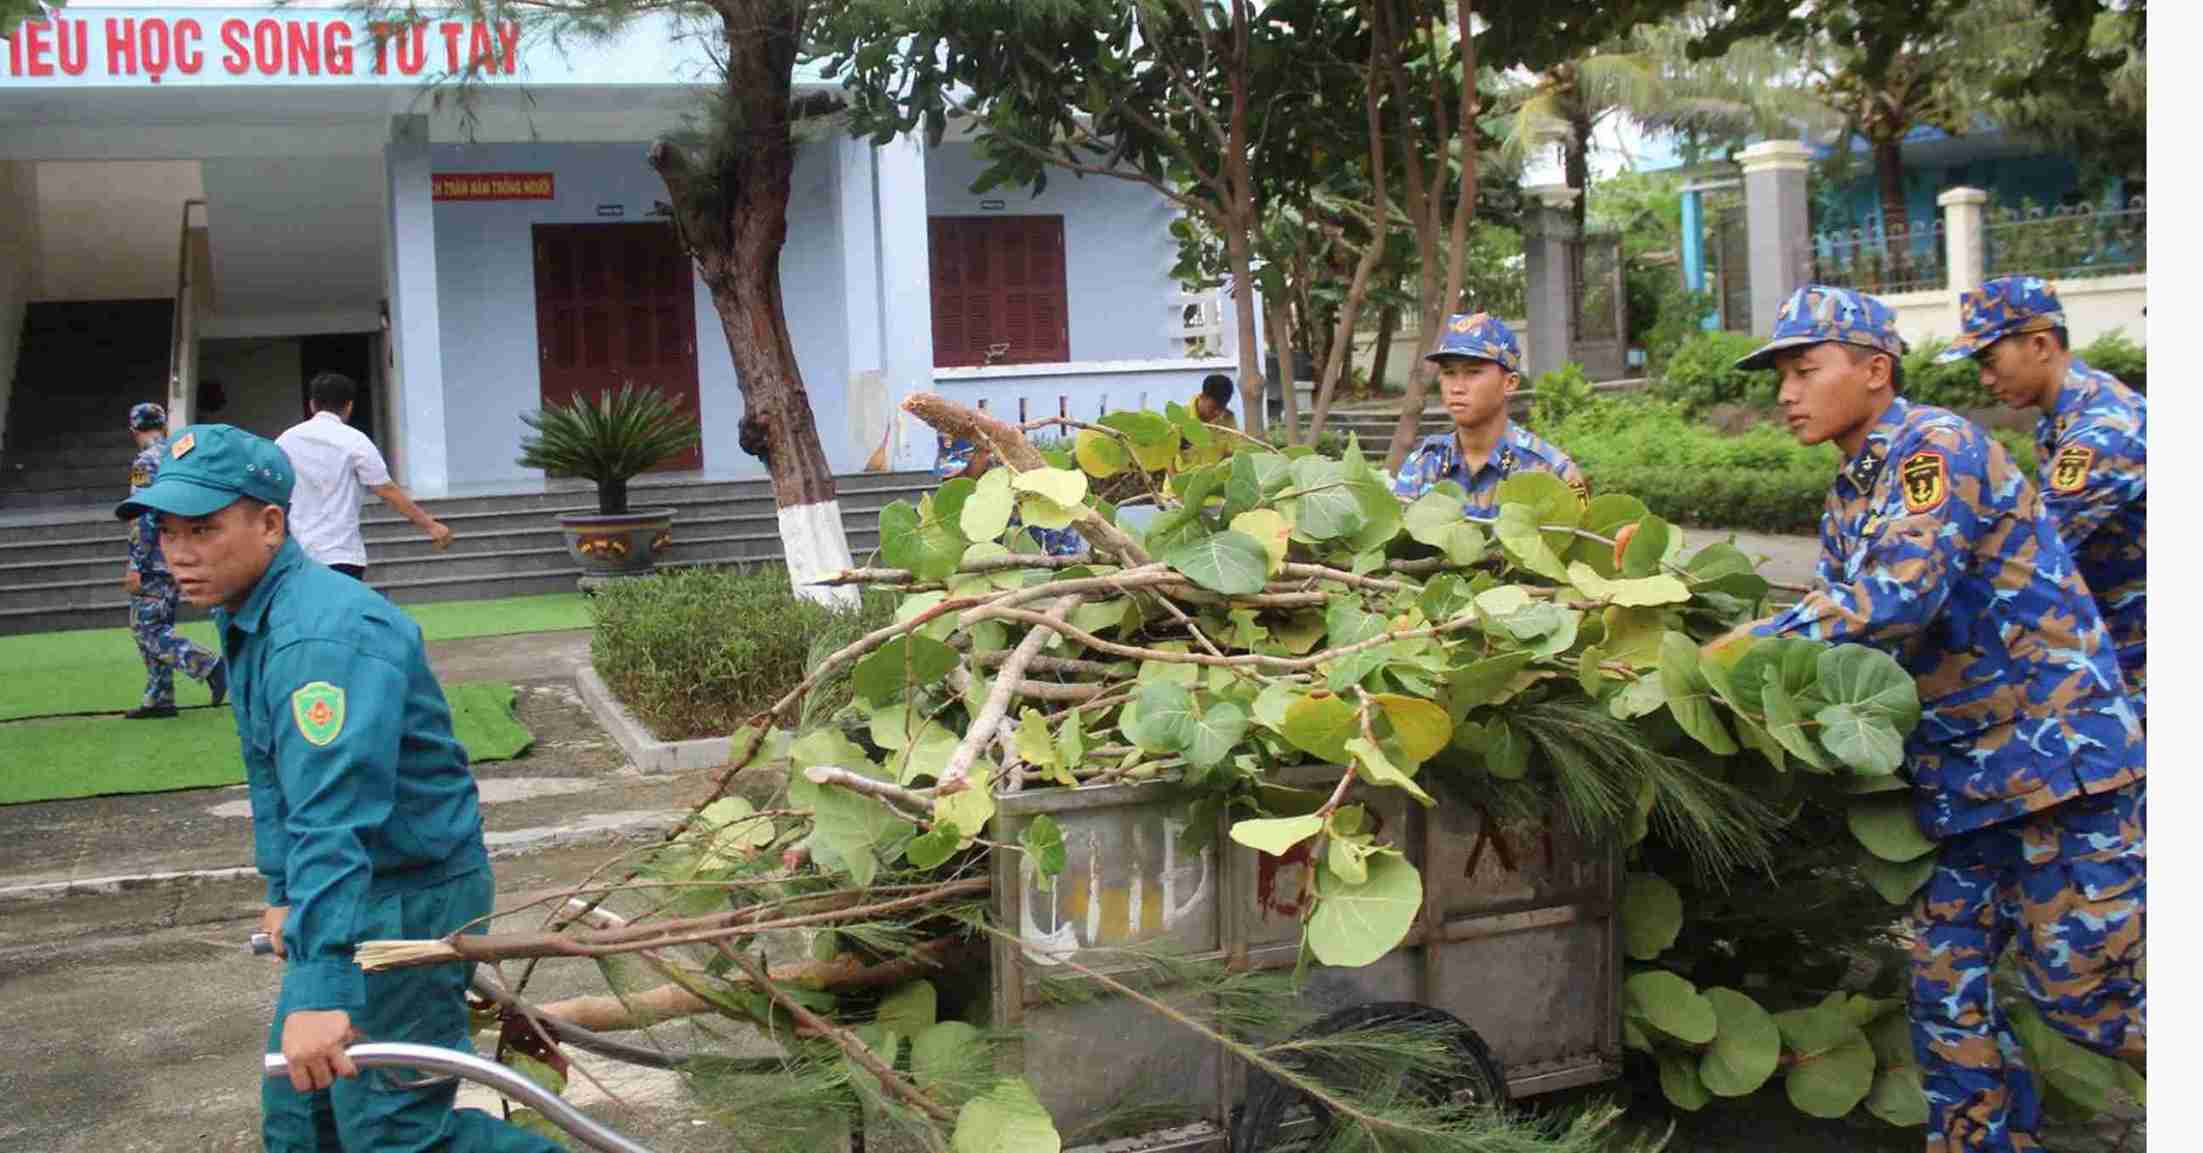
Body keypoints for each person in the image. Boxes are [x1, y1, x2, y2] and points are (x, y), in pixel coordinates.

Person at [1729, 285, 2143, 1153]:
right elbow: (1840, 635)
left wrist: (1737, 648)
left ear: (1874, 371)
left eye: (1804, 369)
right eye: (1779, 376)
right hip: (1965, 784)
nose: (1786, 393)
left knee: (2091, 999)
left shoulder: (1935, 447)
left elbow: (1891, 599)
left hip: (2054, 766)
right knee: (1946, 989)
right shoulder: (1851, 492)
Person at [115, 423, 558, 1153]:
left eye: (203, 528)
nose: (178, 552)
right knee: (302, 1119)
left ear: (269, 525)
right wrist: (282, 888)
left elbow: (334, 814)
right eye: (167, 531)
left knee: (394, 1134)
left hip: (406, 898)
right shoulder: (252, 611)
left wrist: (321, 988)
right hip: (350, 890)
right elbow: (273, 775)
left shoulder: (319, 638)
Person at [1938, 275, 2146, 718]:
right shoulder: (2062, 417)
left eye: (1990, 360)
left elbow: (2030, 548)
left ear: (2040, 345)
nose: (1985, 379)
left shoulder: (2102, 430)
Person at [1390, 313, 1588, 516]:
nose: (1457, 388)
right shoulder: (1424, 464)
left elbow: (1578, 534)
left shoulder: (1555, 471)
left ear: (1509, 383)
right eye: (1449, 373)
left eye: (1473, 372)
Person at [276, 371, 453, 581]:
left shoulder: (286, 440)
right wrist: (430, 525)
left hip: (298, 554)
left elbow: (271, 490)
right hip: (341, 554)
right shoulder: (355, 441)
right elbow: (386, 490)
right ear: (349, 406)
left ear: (312, 404)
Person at [122, 402, 226, 719]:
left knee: (147, 629)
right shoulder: (177, 456)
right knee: (159, 624)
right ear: (164, 426)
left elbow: (142, 515)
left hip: (153, 558)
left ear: (134, 430)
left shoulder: (145, 462)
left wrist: (136, 563)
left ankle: (208, 665)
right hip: (180, 548)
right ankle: (159, 697)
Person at [936, 433, 1087, 557]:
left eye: (966, 465)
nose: (956, 475)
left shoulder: (1017, 480)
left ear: (984, 452)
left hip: (1052, 554)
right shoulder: (962, 486)